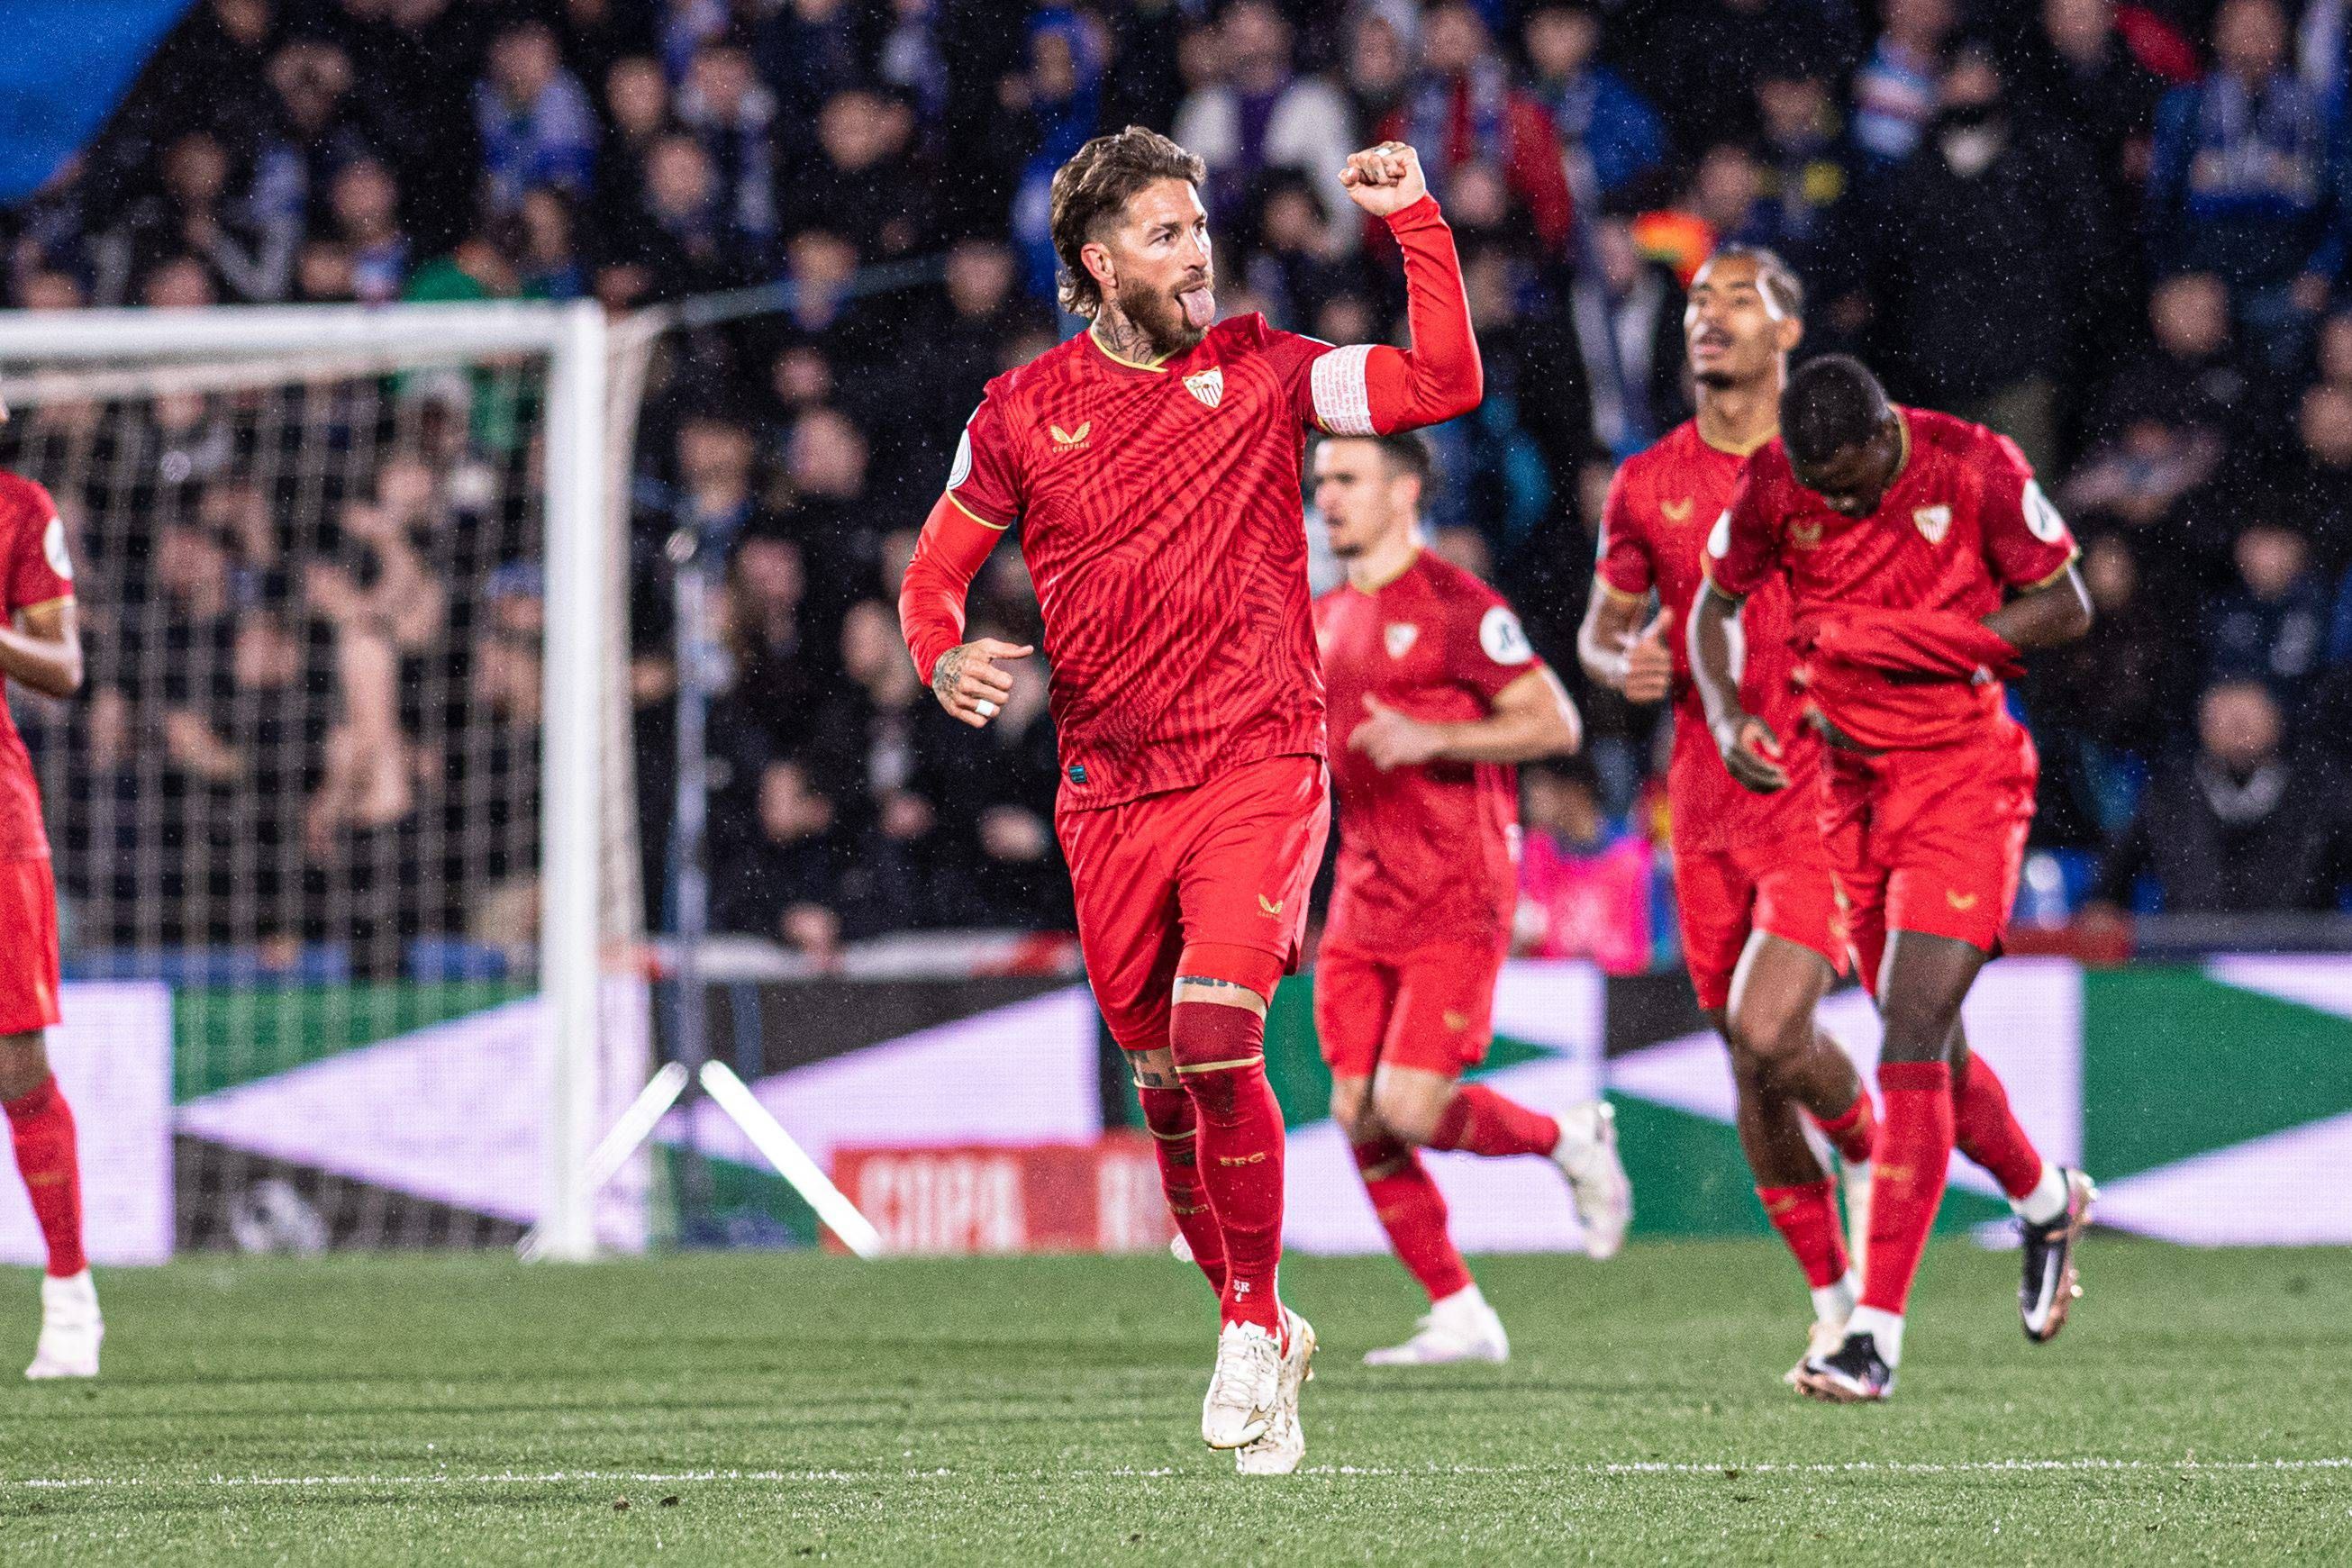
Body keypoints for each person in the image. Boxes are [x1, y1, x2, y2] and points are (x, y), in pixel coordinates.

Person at [896, 130, 1480, 1473]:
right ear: (1098, 266)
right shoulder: (1020, 413)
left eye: (1199, 228)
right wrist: (939, 656)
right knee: (1160, 1073)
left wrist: (1416, 226)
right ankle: (1264, 1309)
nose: (1196, 252)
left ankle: (1245, 1320)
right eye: (1164, 236)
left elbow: (1444, 378)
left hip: (1260, 759)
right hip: (1108, 792)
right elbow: (934, 574)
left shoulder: (1266, 375)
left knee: (1218, 1033)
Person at [1690, 355, 2098, 1402]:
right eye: (1818, 487)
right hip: (1845, 790)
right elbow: (1712, 604)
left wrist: (1947, 644)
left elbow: (2064, 605)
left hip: (1963, 781)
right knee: (1938, 1061)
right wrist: (1732, 711)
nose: (1837, 503)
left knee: (1908, 1031)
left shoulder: (1973, 465)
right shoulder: (1778, 485)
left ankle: (1872, 1333)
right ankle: (2046, 1197)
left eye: (1853, 481)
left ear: (1883, 433)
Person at [1577, 247, 1878, 1382]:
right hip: (1700, 809)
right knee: (1749, 1065)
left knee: (1767, 1028)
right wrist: (1622, 663)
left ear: (1788, 331)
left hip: (1817, 792)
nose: (1708, 316)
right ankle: (1834, 1300)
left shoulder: (1837, 467)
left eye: (1736, 299)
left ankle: (1866, 1144)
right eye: (1697, 301)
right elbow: (1602, 627)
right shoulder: (1647, 480)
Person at [1310, 430, 1627, 1366]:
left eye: (1348, 480)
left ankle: (1567, 1137)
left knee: (1407, 1106)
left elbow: (1552, 720)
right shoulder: (1321, 614)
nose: (1328, 497)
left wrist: (1433, 739)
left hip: (1458, 888)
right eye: (1321, 480)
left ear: (1404, 493)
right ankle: (1457, 1310)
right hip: (1364, 891)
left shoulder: (1455, 604)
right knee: (1355, 1108)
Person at [0, 403, 96, 1378]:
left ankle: (69, 1292)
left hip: (0, 826)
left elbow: (64, 667)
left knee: (16, 1069)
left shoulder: (19, 511)